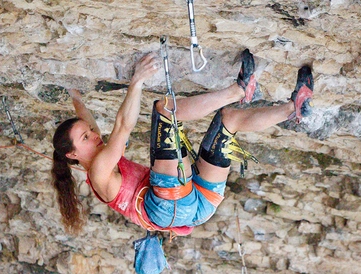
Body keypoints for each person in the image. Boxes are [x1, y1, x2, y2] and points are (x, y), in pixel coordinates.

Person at [51, 49, 314, 235]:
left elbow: (86, 119)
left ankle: (294, 107)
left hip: (200, 207)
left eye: (91, 132)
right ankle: (238, 90)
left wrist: (72, 90)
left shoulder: (93, 155)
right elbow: (122, 127)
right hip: (167, 204)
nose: (95, 135)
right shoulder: (98, 171)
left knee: (229, 120)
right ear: (72, 155)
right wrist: (137, 81)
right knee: (165, 110)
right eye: (86, 137)